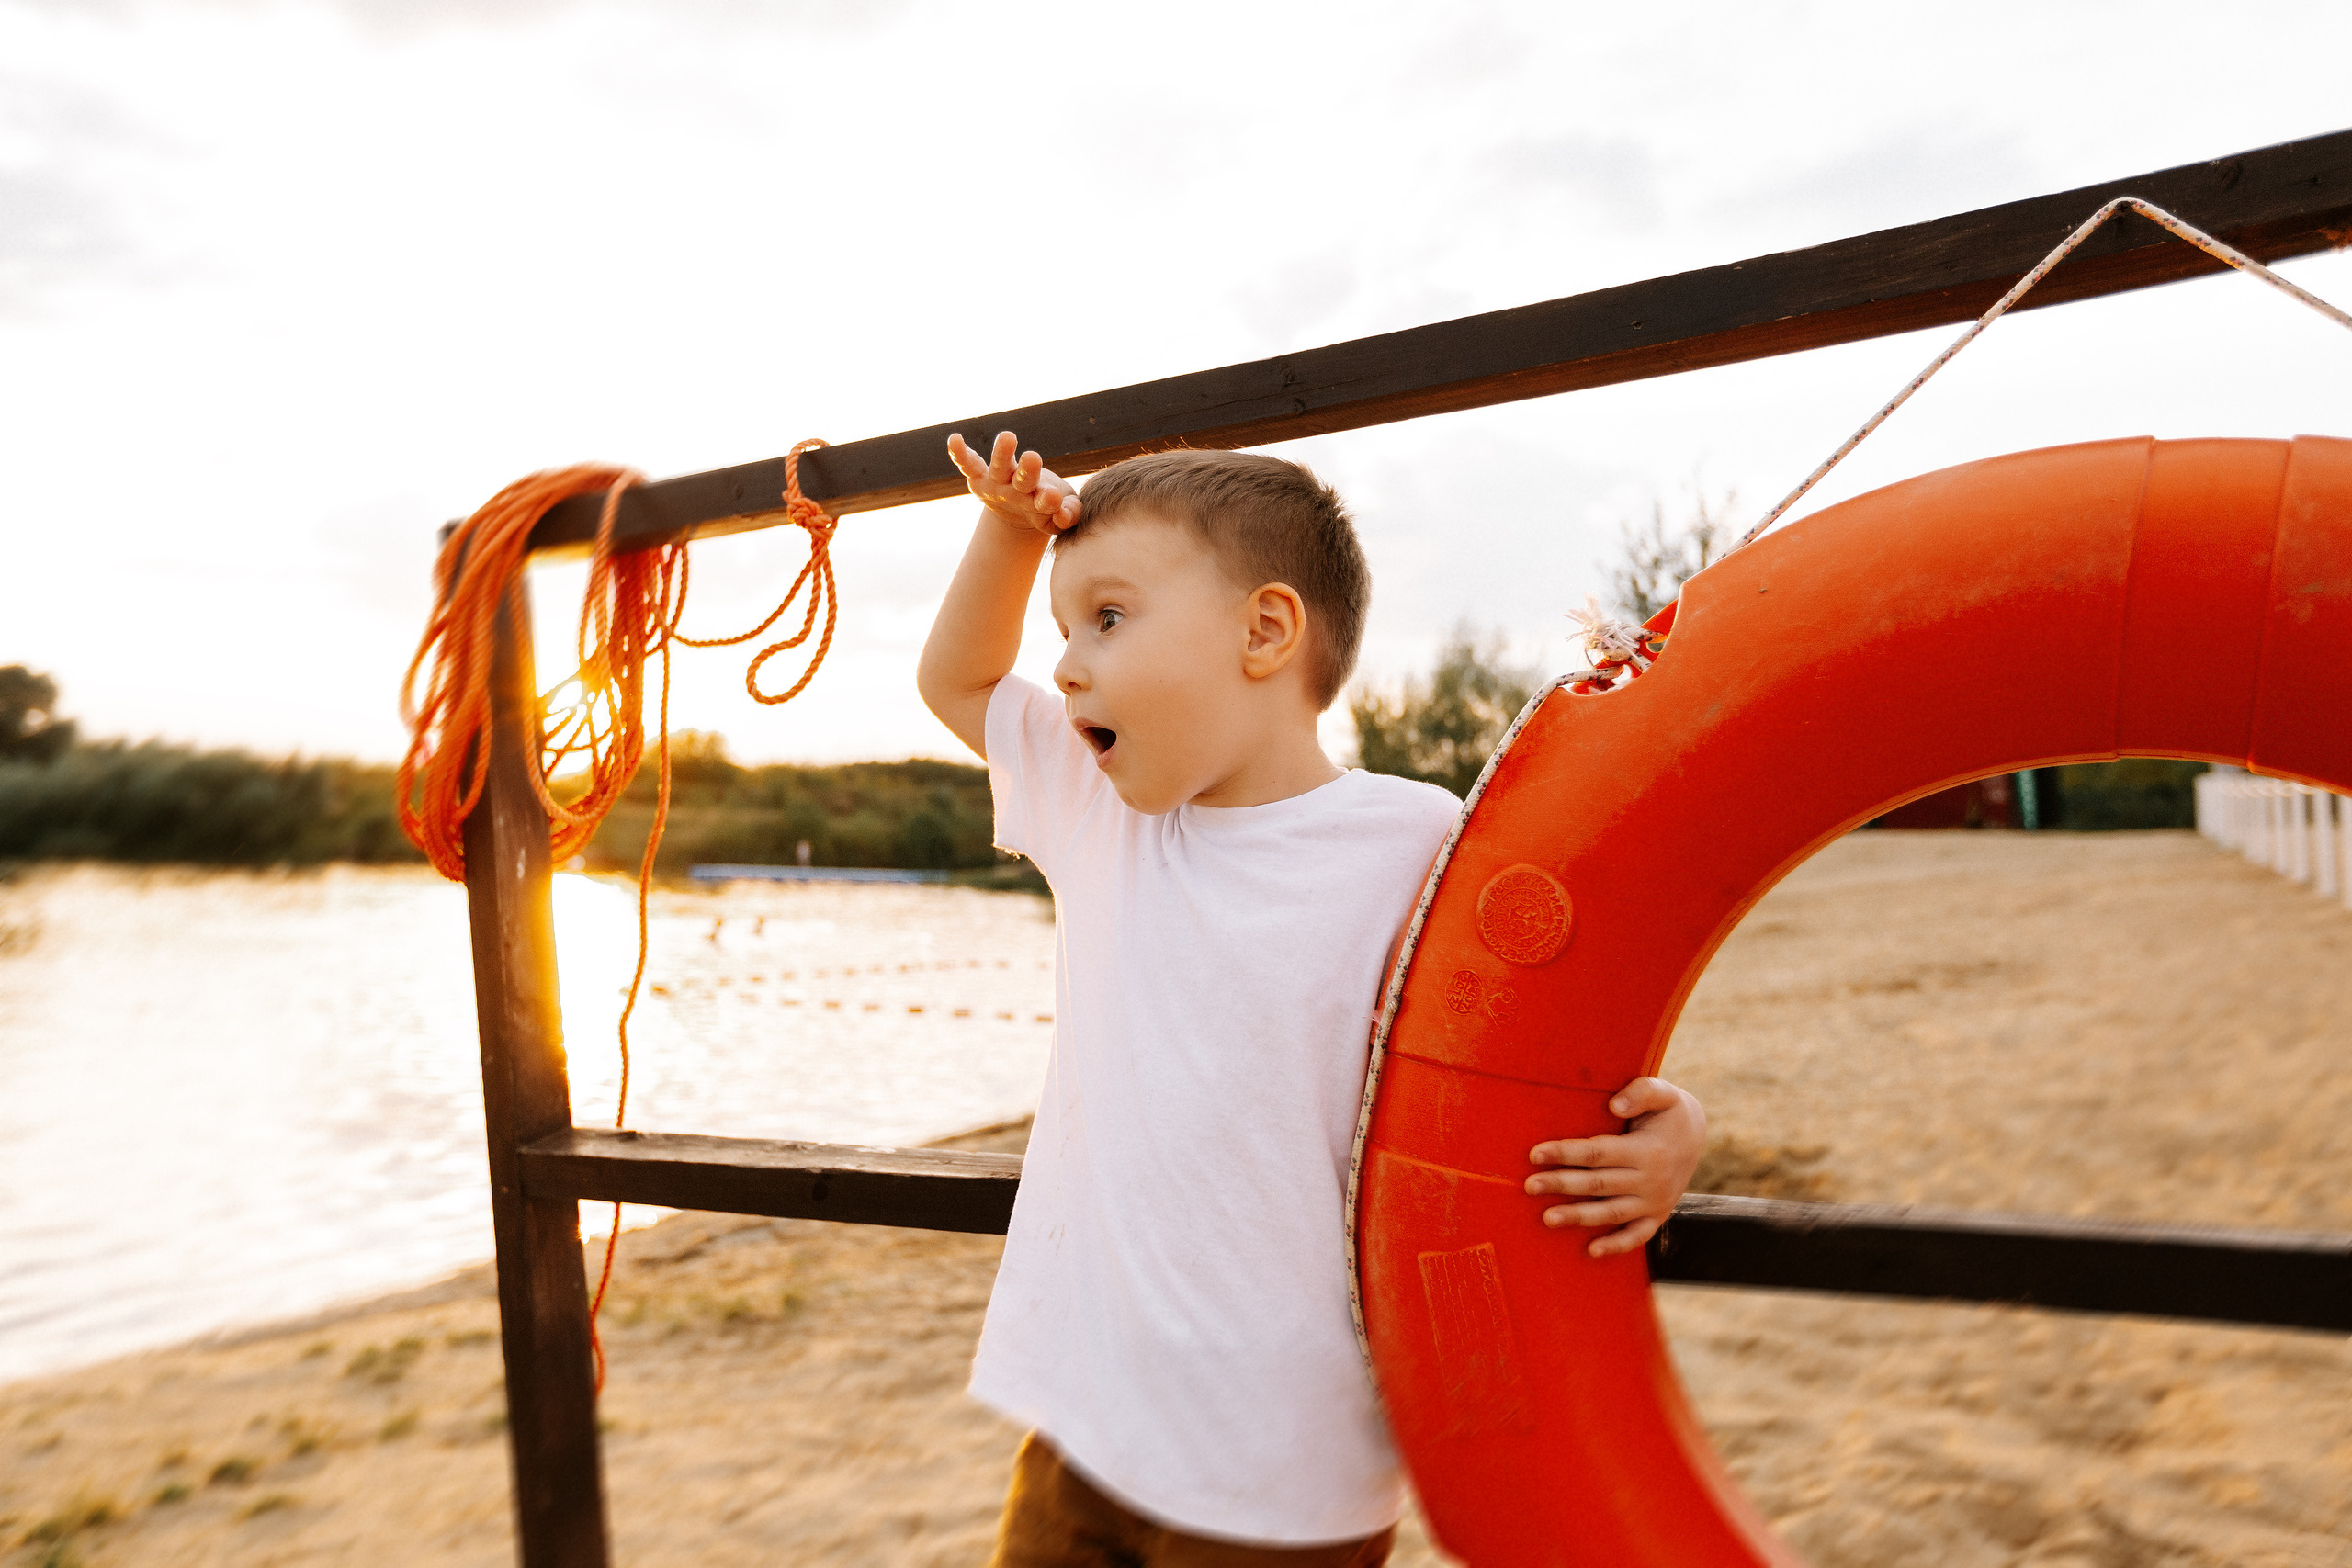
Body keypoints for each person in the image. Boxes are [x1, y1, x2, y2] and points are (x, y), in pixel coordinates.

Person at [918, 432, 1708, 1567]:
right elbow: (957, 679)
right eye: (1062, 633)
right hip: (1086, 1427)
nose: (1067, 669)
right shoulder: (1099, 814)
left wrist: (1671, 1125)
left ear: (1265, 630)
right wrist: (1005, 529)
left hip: (1288, 1472)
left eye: (1107, 619)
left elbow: (1544, 1041)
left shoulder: (1422, 842)